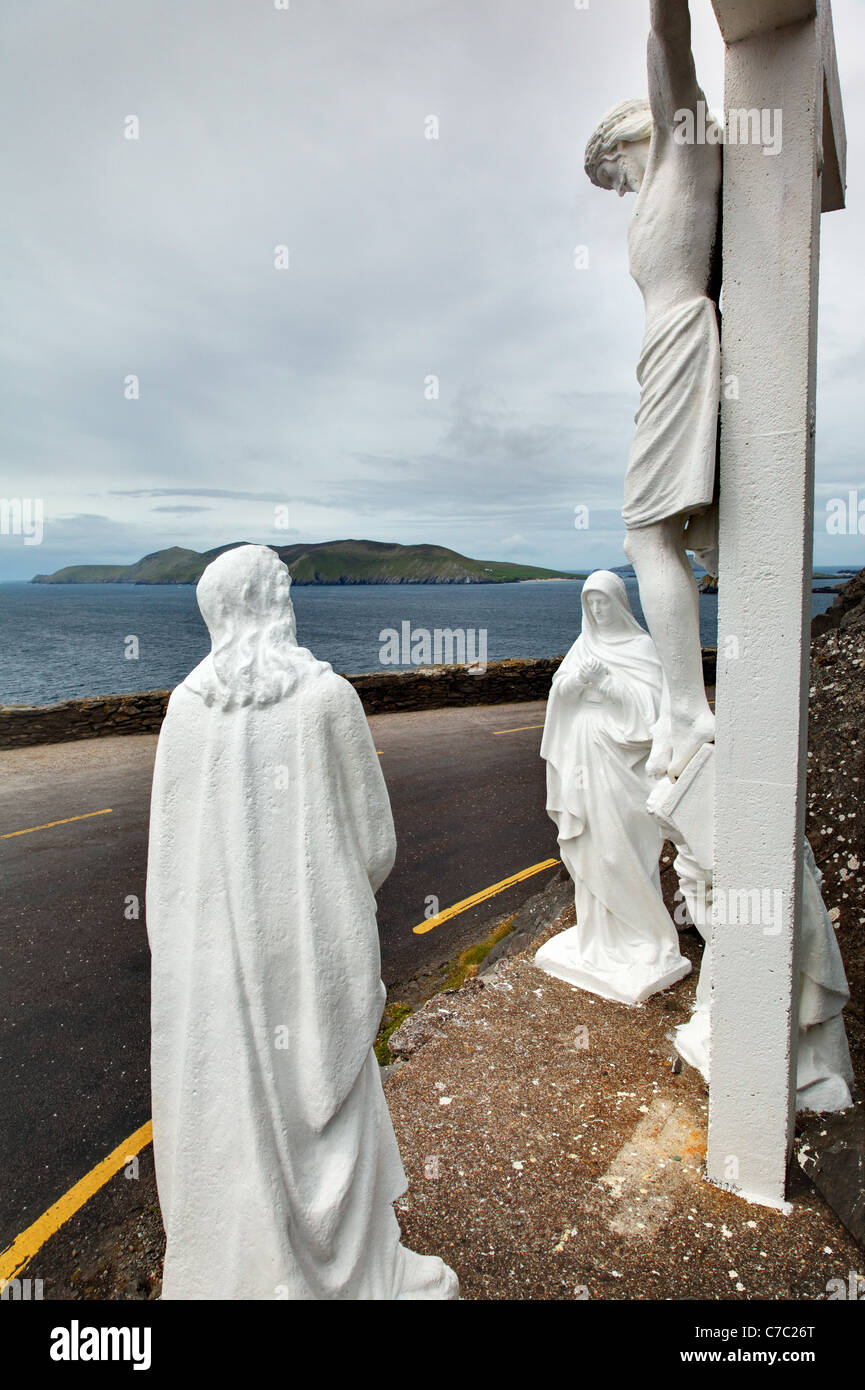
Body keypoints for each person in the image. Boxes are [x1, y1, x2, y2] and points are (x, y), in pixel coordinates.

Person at [146, 544, 458, 1300]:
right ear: (272, 602)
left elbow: (164, 856)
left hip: (212, 961)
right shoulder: (325, 700)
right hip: (311, 950)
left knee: (236, 1111)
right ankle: (354, 1268)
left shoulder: (185, 708)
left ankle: (244, 1271)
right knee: (328, 1092)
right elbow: (375, 844)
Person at [584, 0, 720, 779]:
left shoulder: (681, 148)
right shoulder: (662, 180)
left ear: (622, 143)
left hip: (679, 337)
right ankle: (685, 704)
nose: (619, 190)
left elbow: (669, 43)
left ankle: (688, 707)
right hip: (664, 347)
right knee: (649, 530)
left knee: (644, 529)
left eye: (613, 176)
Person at [536, 571, 690, 1004]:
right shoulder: (582, 645)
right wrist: (577, 682)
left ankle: (644, 937)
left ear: (620, 604)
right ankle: (597, 936)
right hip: (582, 757)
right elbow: (559, 694)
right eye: (591, 603)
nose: (598, 610)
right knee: (590, 846)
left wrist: (609, 686)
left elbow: (654, 713)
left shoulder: (642, 650)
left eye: (604, 601)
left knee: (621, 847)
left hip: (624, 768)